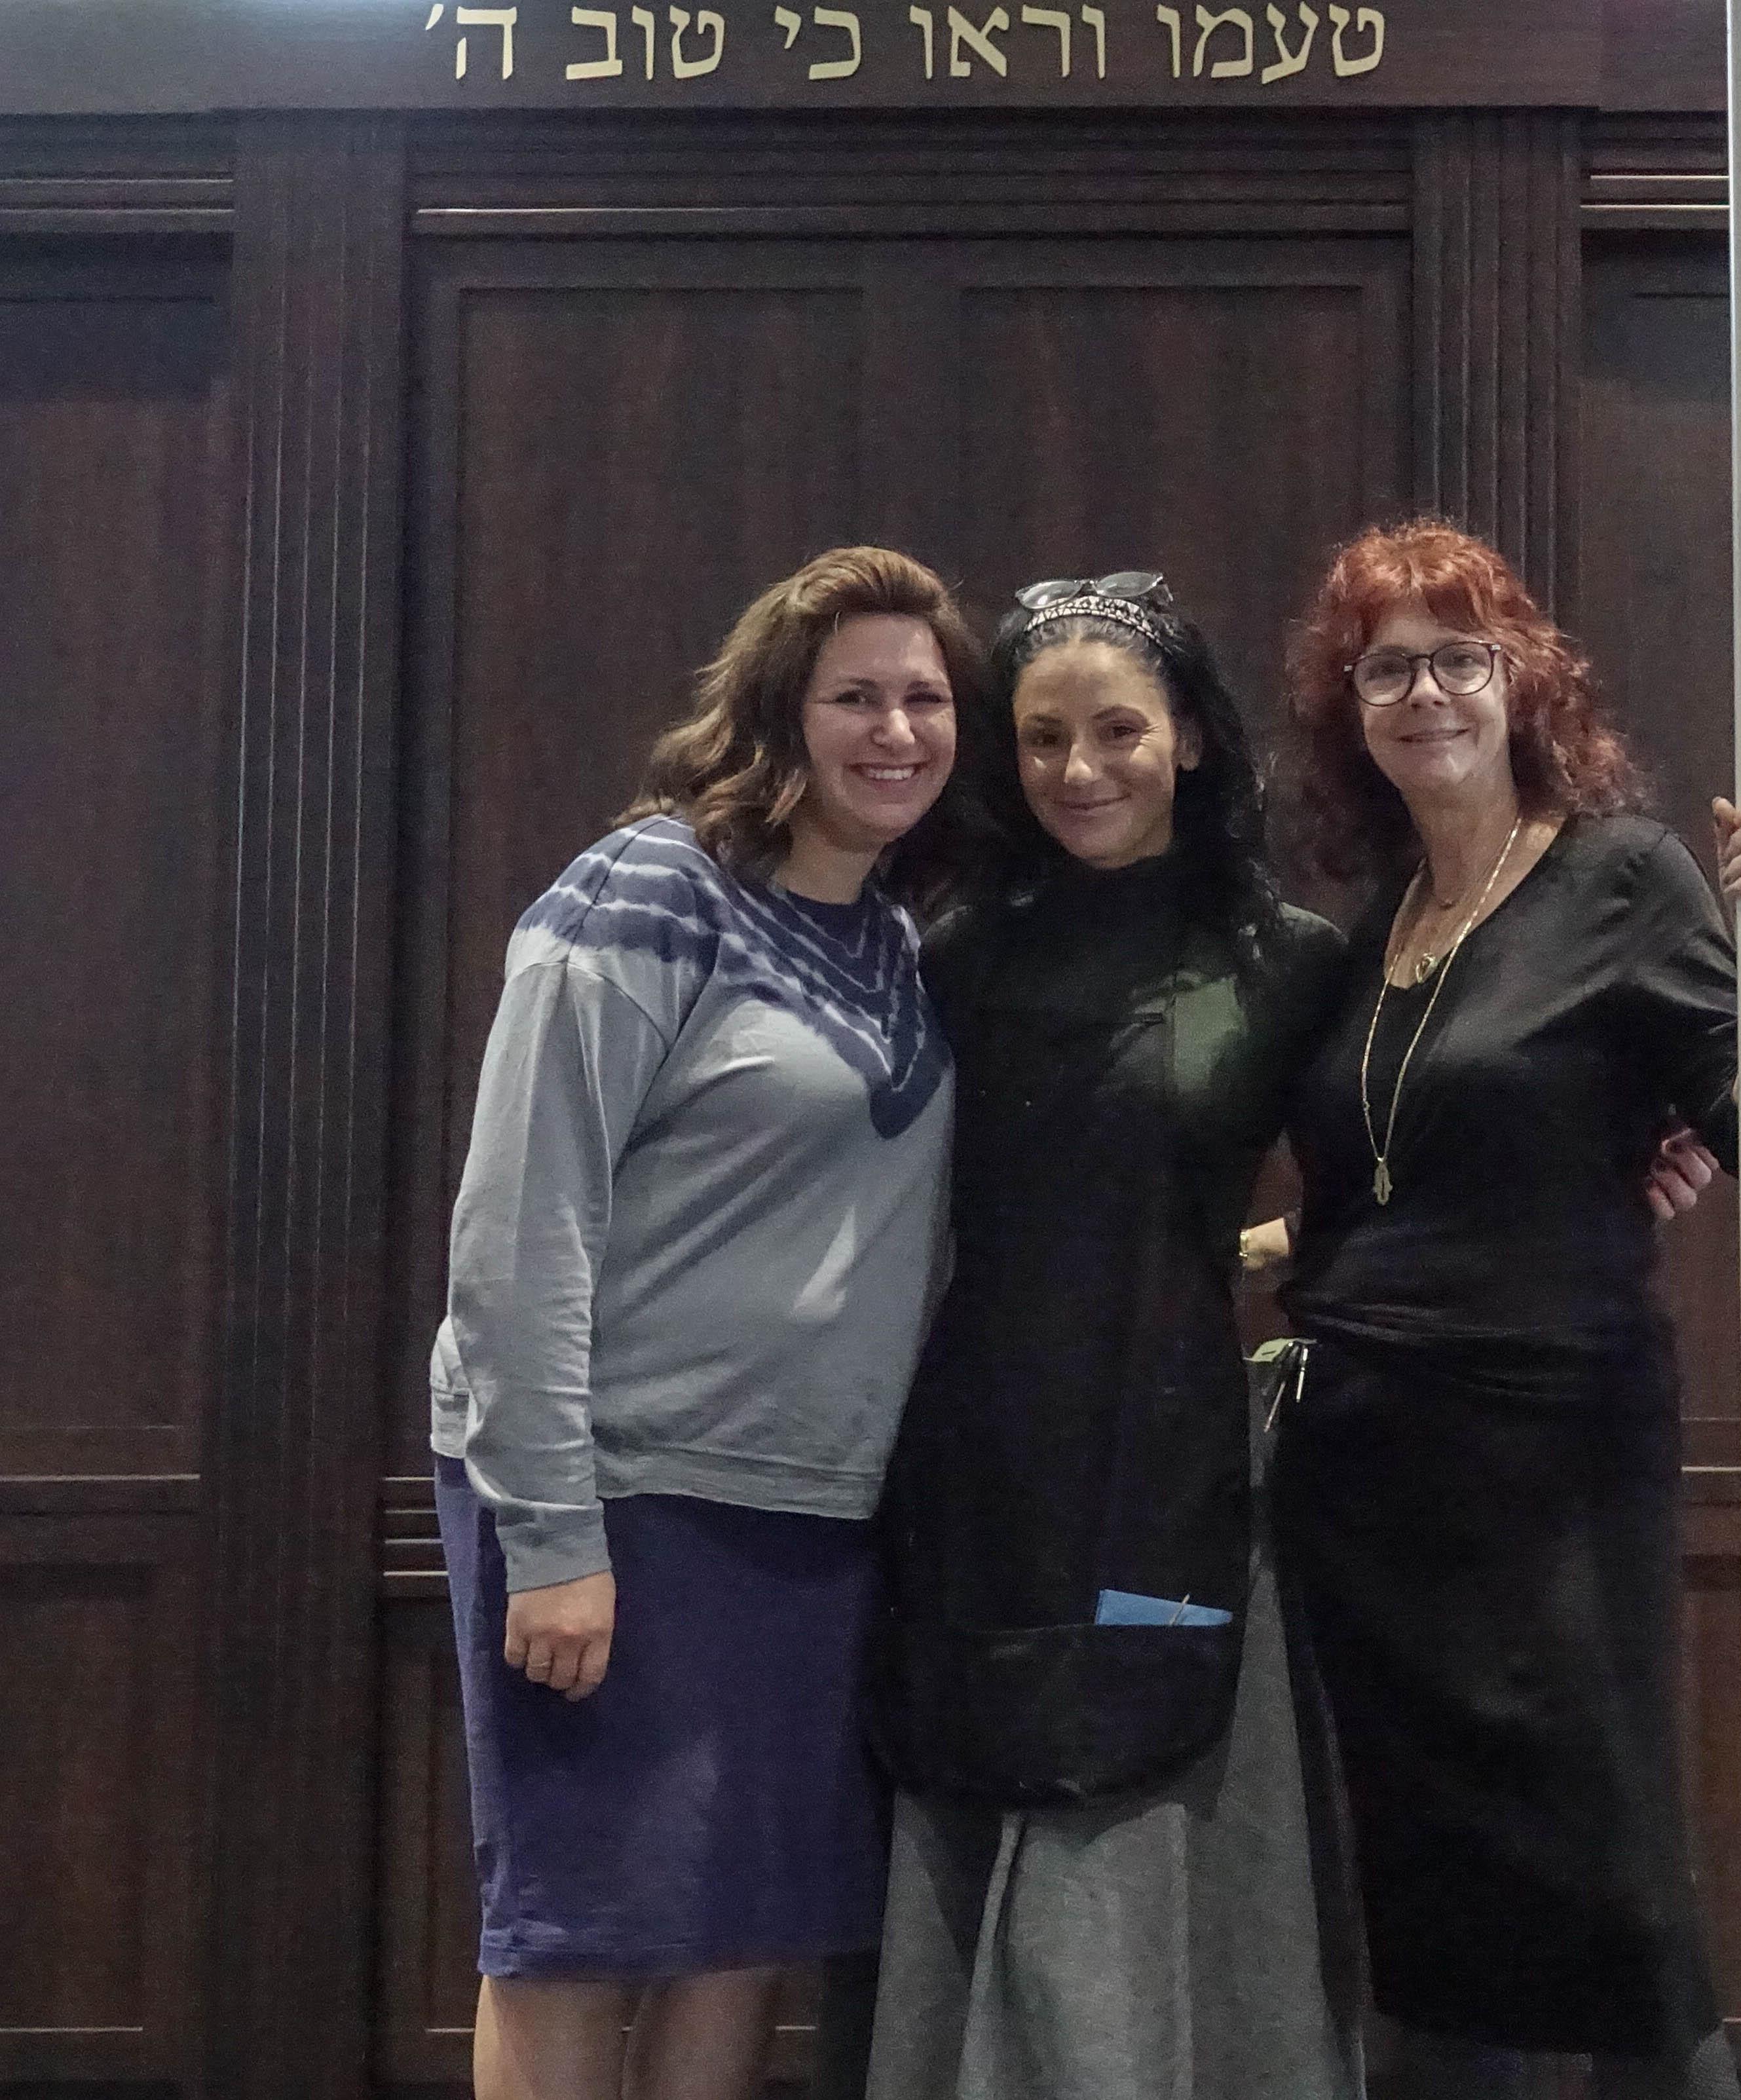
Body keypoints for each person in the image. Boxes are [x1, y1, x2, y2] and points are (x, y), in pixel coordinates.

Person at [429, 546, 988, 2100]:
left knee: (741, 1934)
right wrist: (553, 1533)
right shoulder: (651, 888)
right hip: (618, 1498)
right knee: (578, 1932)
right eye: (855, 696)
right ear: (779, 711)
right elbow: (520, 1224)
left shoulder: (898, 941)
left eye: (927, 698)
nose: (896, 730)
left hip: (807, 1520)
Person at [1251, 517, 1741, 2100]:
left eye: (1457, 658)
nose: (1423, 693)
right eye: (1386, 669)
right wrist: (1249, 1246)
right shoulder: (1370, 936)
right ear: (1350, 709)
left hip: (1552, 1464)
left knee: (1615, 1891)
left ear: (1521, 681)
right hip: (1365, 1479)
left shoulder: (1622, 875)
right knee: (1427, 1905)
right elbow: (1380, 1188)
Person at [851, 573, 1362, 2100]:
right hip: (970, 1461)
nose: (1079, 769)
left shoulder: (1289, 961)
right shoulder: (947, 957)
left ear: (1189, 736)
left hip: (1168, 1466)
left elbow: (1392, 1181)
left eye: (1118, 730)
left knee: (1135, 1809)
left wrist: (1239, 1254)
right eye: (1042, 738)